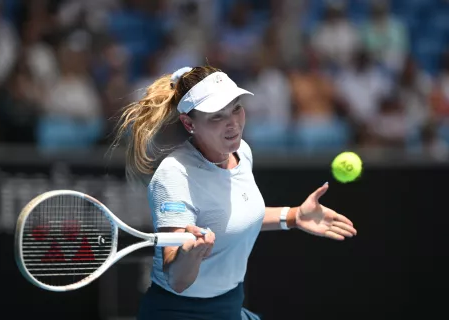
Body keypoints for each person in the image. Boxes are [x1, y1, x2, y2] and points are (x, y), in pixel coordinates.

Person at [113, 66, 358, 320]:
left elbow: (232, 216)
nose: (232, 123)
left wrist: (294, 216)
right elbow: (177, 279)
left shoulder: (241, 152)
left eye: (236, 108)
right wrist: (189, 255)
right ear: (188, 123)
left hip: (228, 308)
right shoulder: (175, 175)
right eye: (216, 116)